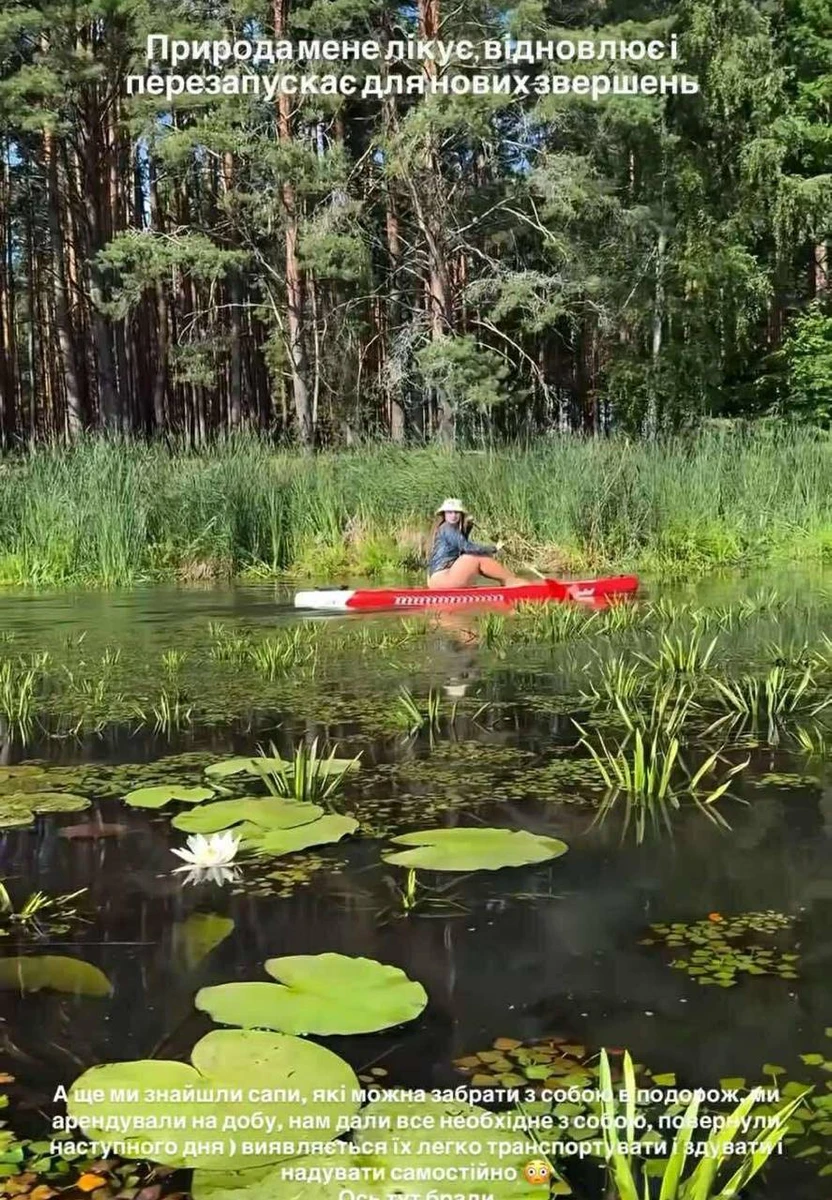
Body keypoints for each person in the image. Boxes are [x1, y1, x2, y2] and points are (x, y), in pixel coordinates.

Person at [426, 499, 526, 589]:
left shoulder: (446, 528)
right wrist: (494, 548)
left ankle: (508, 580)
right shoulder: (448, 528)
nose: (453, 515)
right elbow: (466, 547)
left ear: (461, 514)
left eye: (456, 512)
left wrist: (468, 527)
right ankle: (510, 581)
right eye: (449, 512)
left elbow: (460, 545)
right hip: (442, 578)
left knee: (473, 556)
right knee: (474, 557)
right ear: (444, 514)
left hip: (438, 580)